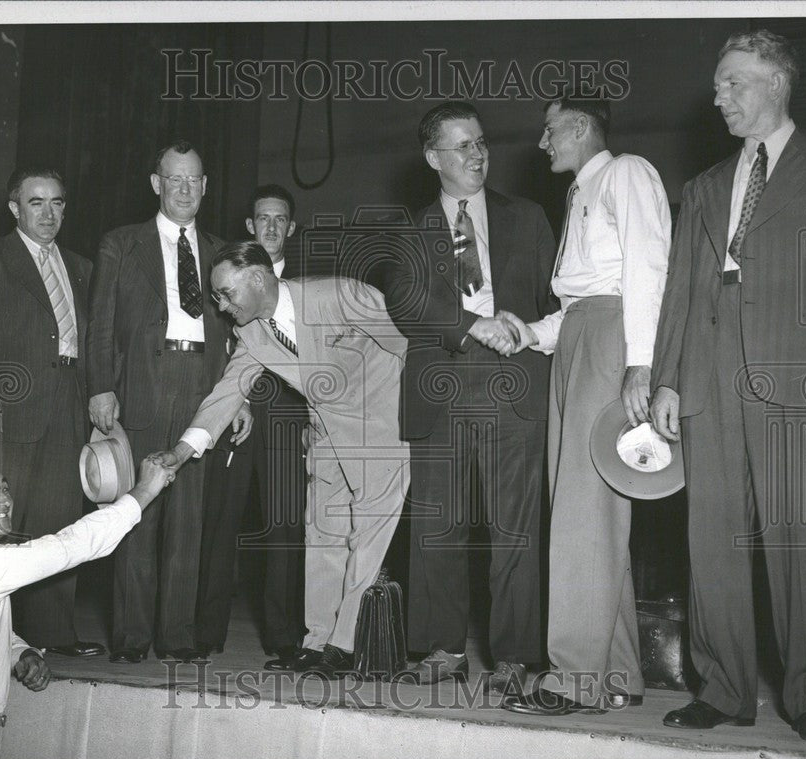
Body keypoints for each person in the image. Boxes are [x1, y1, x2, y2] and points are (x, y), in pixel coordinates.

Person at [650, 31, 806, 743]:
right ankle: (724, 687)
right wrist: (668, 381)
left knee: (796, 542)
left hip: (797, 377)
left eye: (732, 82)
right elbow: (680, 290)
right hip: (708, 379)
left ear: (776, 82)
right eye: (718, 85)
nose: (719, 97)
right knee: (711, 543)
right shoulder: (703, 187)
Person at [160, 240, 409, 676]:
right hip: (326, 434)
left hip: (381, 429)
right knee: (322, 536)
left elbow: (408, 339)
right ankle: (316, 642)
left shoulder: (338, 295)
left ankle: (345, 646)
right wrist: (181, 452)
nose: (221, 306)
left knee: (367, 541)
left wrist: (415, 416)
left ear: (258, 278)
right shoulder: (252, 332)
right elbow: (227, 392)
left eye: (226, 293)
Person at [497, 96, 671, 715]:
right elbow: (576, 302)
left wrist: (641, 361)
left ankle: (570, 679)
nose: (542, 144)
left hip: (613, 339)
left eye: (549, 131)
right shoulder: (576, 196)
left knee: (582, 510)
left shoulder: (626, 172)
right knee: (590, 511)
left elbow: (649, 269)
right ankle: (617, 673)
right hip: (579, 337)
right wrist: (529, 333)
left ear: (578, 128)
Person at [380, 101, 557, 693]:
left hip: (514, 391)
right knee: (439, 528)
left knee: (516, 531)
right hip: (443, 390)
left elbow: (552, 305)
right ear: (434, 158)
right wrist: (467, 324)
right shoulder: (409, 231)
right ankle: (442, 647)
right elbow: (403, 301)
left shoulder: (528, 217)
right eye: (461, 145)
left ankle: (515, 656)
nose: (476, 154)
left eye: (481, 142)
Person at [0, 457, 176, 759]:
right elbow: (72, 545)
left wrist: (20, 653)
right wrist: (145, 489)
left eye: (5, 488)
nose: (6, 500)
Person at [85, 140, 239, 663]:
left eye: (194, 180)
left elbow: (242, 334)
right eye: (174, 179)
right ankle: (131, 635)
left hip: (204, 385)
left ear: (205, 186)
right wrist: (101, 385)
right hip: (143, 385)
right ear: (156, 184)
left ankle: (177, 635)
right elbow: (101, 322)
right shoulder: (121, 245)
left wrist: (236, 399)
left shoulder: (221, 251)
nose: (184, 189)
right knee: (138, 511)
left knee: (189, 521)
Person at [0, 167, 102, 658]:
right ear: (15, 208)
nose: (49, 213)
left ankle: (52, 635)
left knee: (58, 520)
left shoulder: (80, 266)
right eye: (37, 203)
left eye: (57, 202)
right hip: (9, 408)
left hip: (67, 404)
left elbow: (91, 341)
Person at [196, 185, 308, 667]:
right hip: (235, 413)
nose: (271, 227)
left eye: (280, 219)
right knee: (221, 521)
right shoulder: (225, 281)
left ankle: (284, 638)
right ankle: (204, 633)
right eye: (263, 218)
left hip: (288, 416)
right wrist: (235, 398)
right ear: (250, 226)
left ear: (291, 228)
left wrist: (313, 421)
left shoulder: (307, 283)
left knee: (285, 524)